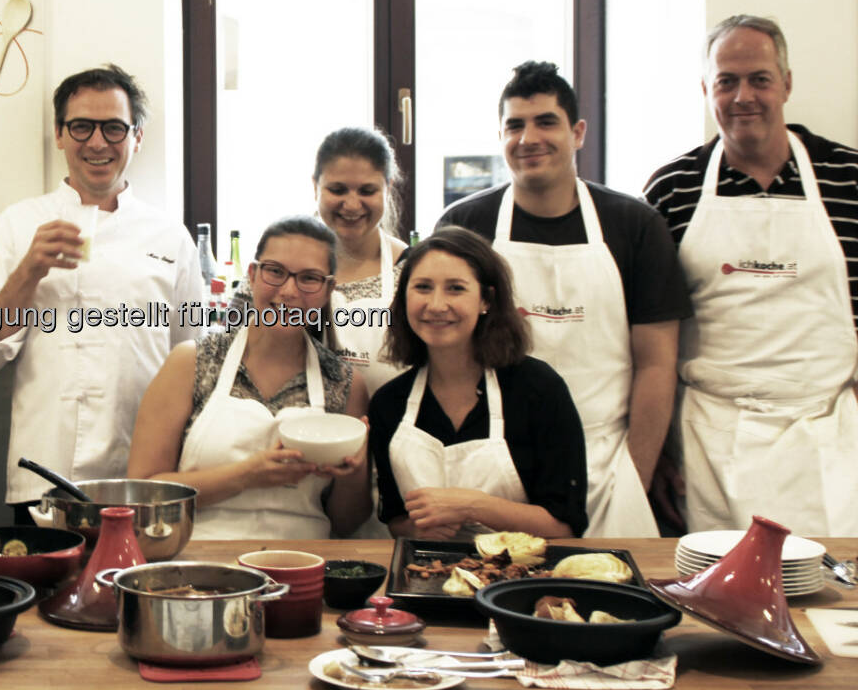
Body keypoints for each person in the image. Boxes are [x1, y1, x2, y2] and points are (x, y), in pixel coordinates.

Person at [437, 62, 689, 537]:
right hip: (496, 464)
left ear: (577, 132)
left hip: (607, 465)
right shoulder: (466, 224)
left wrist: (636, 474)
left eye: (545, 122)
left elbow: (657, 362)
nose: (529, 138)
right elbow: (445, 354)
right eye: (515, 125)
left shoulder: (635, 226)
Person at [0, 65, 205, 524]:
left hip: (144, 475)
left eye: (114, 128)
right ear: (59, 134)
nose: (97, 143)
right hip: (43, 472)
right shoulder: (16, 225)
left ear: (137, 137)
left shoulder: (171, 236)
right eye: (81, 127)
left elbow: (192, 360)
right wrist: (28, 271)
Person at [645, 15, 858, 536]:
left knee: (834, 604)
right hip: (708, 442)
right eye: (726, 81)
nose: (744, 96)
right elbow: (648, 338)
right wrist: (655, 455)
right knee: (717, 602)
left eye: (760, 79)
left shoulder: (848, 178)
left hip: (829, 437)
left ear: (786, 83)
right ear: (706, 90)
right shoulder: (673, 189)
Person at [128, 215, 371, 538]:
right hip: (196, 565)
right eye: (275, 272)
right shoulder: (192, 362)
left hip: (303, 564)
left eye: (309, 278)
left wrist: (354, 474)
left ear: (328, 290)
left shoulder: (343, 382)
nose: (288, 291)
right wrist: (247, 475)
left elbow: (345, 523)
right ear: (253, 275)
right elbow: (142, 494)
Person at [369, 226, 587, 539]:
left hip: (522, 578)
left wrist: (473, 506)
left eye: (455, 288)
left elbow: (565, 527)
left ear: (486, 299)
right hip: (424, 576)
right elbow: (396, 519)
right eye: (423, 287)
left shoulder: (538, 390)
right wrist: (419, 528)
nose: (436, 304)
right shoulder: (389, 403)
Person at [310, 127, 409, 393]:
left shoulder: (414, 271)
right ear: (315, 186)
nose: (352, 205)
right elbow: (239, 341)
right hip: (302, 428)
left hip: (393, 428)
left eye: (367, 191)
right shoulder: (283, 267)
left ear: (387, 189)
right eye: (338, 190)